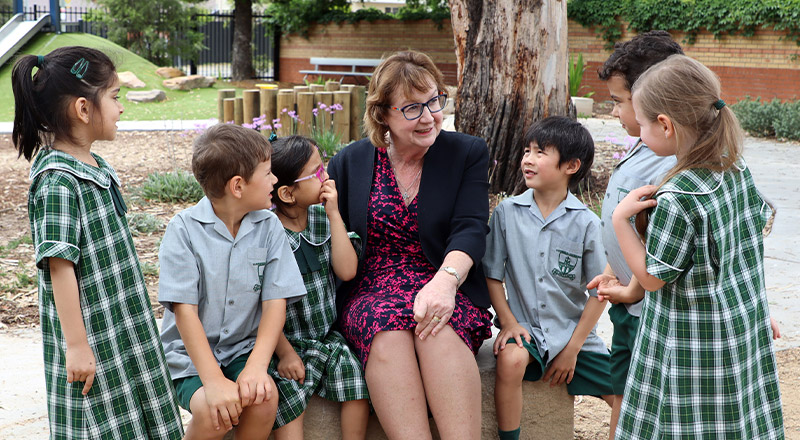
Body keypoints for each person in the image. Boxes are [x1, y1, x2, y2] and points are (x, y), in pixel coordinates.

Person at [13, 46, 184, 438]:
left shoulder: (96, 166)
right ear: (83, 109)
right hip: (92, 335)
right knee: (102, 423)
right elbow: (60, 265)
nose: (121, 108)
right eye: (115, 97)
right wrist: (76, 346)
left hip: (123, 326)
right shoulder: (58, 180)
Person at [613, 54, 784, 439]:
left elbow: (654, 278)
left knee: (685, 424)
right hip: (738, 329)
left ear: (665, 125)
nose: (637, 132)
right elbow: (746, 250)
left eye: (640, 124)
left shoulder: (677, 198)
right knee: (733, 421)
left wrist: (620, 221)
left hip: (692, 344)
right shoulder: (735, 167)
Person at [326, 50, 493, 440]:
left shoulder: (466, 153)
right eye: (412, 108)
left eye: (434, 101)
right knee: (388, 332)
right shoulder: (350, 162)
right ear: (382, 114)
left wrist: (445, 282)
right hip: (372, 288)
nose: (429, 116)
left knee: (437, 329)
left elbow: (470, 227)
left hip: (443, 278)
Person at [158, 124, 306, 440]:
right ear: (238, 186)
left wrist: (256, 367)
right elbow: (184, 312)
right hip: (190, 358)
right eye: (268, 173)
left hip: (242, 350)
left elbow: (275, 303)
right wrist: (212, 381)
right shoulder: (182, 230)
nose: (275, 180)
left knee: (264, 399)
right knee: (215, 414)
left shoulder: (269, 227)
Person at [483, 116, 614, 440]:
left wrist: (573, 348)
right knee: (511, 360)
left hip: (574, 335)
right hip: (526, 330)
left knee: (624, 392)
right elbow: (492, 275)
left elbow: (601, 291)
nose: (528, 159)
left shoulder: (585, 223)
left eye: (540, 152)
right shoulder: (507, 213)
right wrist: (509, 322)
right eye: (527, 150)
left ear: (570, 165)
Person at [589, 30, 683, 439]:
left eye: (618, 101)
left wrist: (633, 290)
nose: (614, 113)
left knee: (644, 404)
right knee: (624, 393)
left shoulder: (671, 160)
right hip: (629, 303)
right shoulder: (646, 145)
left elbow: (667, 248)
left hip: (649, 310)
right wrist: (614, 270)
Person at [268, 135, 370, 440]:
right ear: (287, 193)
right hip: (284, 344)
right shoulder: (269, 234)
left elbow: (347, 270)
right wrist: (285, 353)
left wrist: (335, 214)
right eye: (316, 173)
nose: (326, 177)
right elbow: (259, 305)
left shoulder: (323, 219)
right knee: (287, 399)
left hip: (326, 337)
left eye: (322, 167)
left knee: (356, 382)